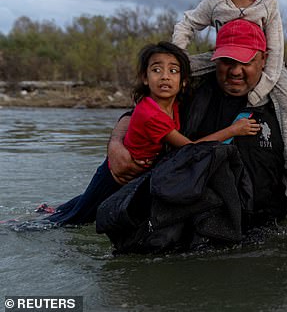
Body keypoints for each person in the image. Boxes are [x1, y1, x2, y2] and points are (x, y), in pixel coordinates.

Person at [108, 23, 287, 228]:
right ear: (215, 58)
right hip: (195, 219)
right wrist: (116, 144)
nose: (236, 71)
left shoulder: (282, 103)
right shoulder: (193, 89)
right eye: (227, 61)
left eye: (246, 61)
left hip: (264, 228)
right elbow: (143, 113)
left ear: (263, 60)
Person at [47, 41, 260, 225]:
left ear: (184, 81)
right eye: (157, 70)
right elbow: (191, 149)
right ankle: (27, 226)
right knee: (76, 219)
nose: (165, 77)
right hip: (115, 177)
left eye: (173, 71)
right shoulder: (152, 114)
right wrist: (233, 130)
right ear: (145, 78)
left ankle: (48, 210)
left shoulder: (173, 103)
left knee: (83, 204)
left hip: (131, 176)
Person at [171, 0, 287, 199]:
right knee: (177, 68)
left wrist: (260, 91)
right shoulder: (214, 2)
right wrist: (176, 55)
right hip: (223, 56)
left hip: (265, 63)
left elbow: (276, 49)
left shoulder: (268, 2)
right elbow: (186, 23)